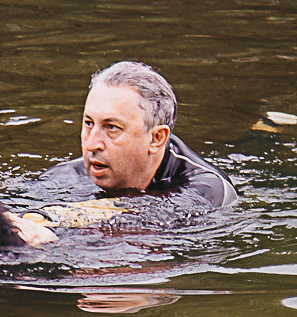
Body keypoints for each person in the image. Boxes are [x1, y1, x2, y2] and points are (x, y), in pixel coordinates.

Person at [32, 61, 238, 211]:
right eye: (88, 123)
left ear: (156, 139)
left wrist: (59, 218)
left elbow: (151, 225)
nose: (92, 145)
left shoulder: (208, 188)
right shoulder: (68, 176)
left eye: (112, 127)